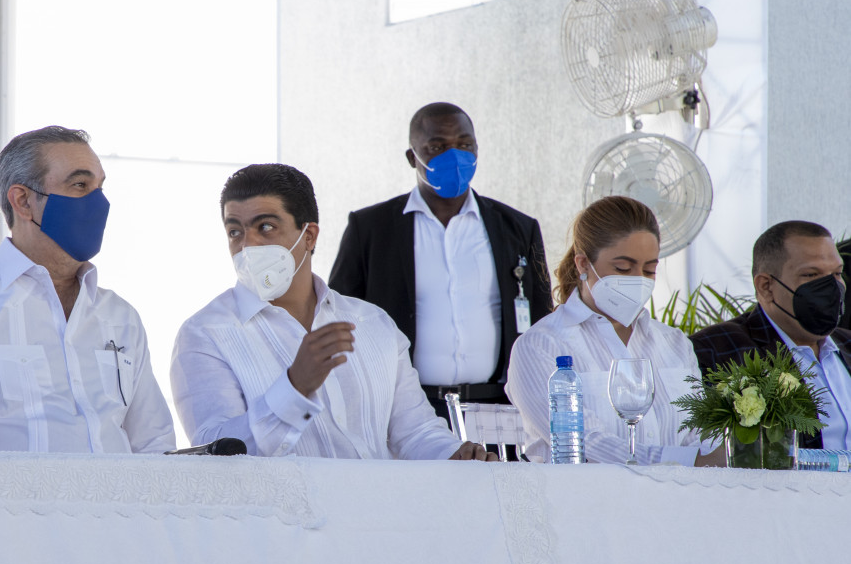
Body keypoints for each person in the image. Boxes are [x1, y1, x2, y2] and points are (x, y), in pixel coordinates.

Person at [171, 162, 494, 461]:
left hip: (381, 505)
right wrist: (294, 388)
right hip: (282, 509)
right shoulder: (205, 335)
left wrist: (455, 455)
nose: (248, 246)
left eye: (265, 227)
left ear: (308, 236)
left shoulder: (372, 323)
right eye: (235, 232)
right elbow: (217, 453)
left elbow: (415, 432)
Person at [0, 125, 175, 453]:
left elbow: (155, 447)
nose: (98, 202)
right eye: (80, 185)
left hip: (120, 490)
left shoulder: (120, 316)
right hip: (10, 491)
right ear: (23, 201)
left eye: (100, 187)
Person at [329, 102, 552, 422]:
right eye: (437, 147)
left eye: (465, 145)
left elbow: (542, 320)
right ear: (412, 157)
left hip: (496, 409)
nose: (454, 156)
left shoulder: (517, 228)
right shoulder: (371, 229)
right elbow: (339, 315)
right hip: (404, 412)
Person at [505, 195, 721, 465]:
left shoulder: (674, 343)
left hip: (679, 490)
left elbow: (700, 432)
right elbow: (585, 443)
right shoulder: (540, 346)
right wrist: (683, 461)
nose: (638, 280)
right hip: (585, 492)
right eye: (623, 268)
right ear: (583, 264)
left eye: (649, 270)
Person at [692, 221, 851, 451]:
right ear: (766, 286)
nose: (832, 287)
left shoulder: (847, 343)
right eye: (811, 274)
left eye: (836, 273)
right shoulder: (716, 349)